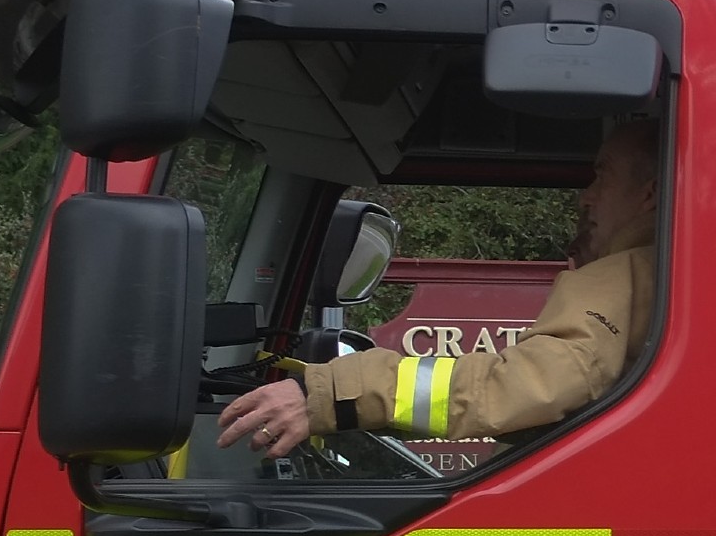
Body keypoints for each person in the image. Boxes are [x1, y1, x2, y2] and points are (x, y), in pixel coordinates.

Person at [216, 112, 660, 458]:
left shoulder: (628, 274)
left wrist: (333, 393)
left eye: (603, 175)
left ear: (651, 193)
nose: (586, 196)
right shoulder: (651, 276)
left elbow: (526, 386)